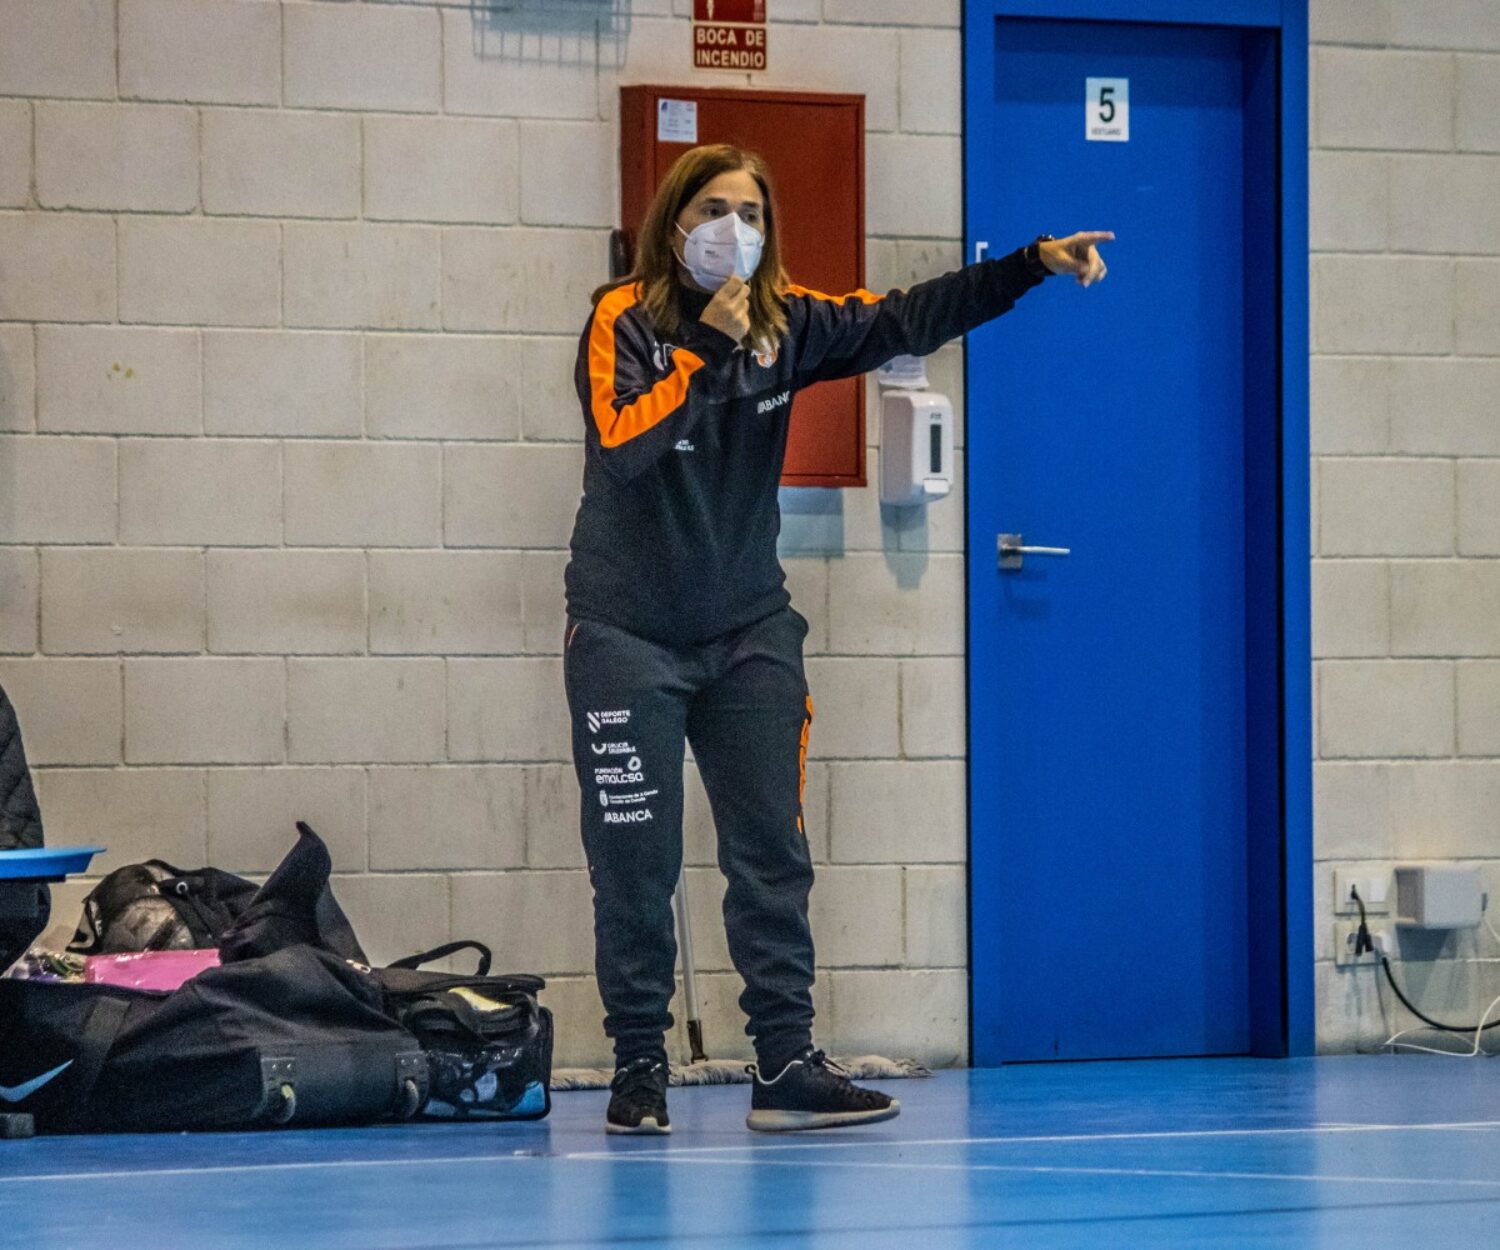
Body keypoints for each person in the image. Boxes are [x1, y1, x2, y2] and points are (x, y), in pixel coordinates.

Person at [564, 143, 1111, 1135]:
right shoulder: (624, 320)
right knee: (635, 862)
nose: (733, 229)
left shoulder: (791, 324)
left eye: (751, 212)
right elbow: (627, 445)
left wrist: (1029, 263)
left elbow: (905, 317)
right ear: (674, 222)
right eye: (713, 208)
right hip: (625, 634)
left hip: (747, 629)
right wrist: (710, 351)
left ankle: (784, 1063)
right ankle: (639, 1066)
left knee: (771, 855)